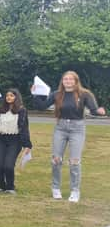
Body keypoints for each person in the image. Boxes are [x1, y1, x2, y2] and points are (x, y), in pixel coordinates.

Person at [32, 71, 106, 202]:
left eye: (71, 79)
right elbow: (42, 106)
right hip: (60, 127)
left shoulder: (85, 94)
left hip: (77, 128)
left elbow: (93, 109)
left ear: (76, 81)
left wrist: (99, 111)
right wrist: (35, 94)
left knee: (74, 161)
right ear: (62, 81)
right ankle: (56, 188)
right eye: (65, 79)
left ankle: (75, 191)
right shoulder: (57, 94)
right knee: (56, 159)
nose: (68, 81)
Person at [0, 89, 32, 194]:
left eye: (12, 95)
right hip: (1, 139)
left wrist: (27, 145)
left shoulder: (22, 110)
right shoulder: (0, 109)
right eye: (7, 95)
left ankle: (10, 187)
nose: (9, 97)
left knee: (8, 165)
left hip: (15, 140)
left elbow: (24, 127)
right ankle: (1, 186)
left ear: (16, 97)